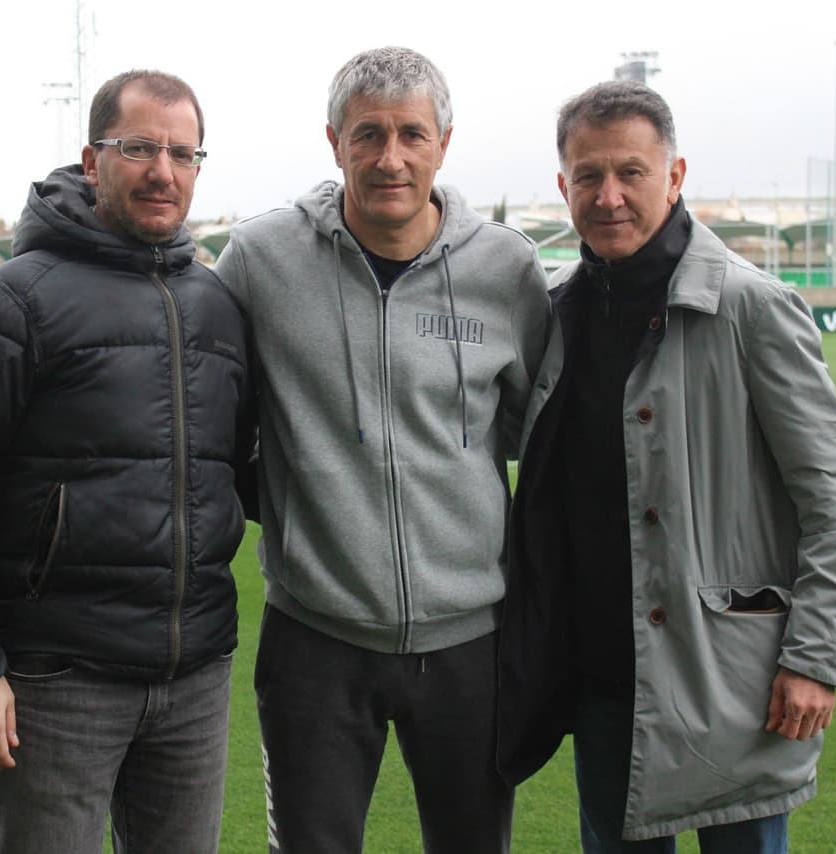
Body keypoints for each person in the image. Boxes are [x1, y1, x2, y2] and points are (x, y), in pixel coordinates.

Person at [496, 80, 836, 853]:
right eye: (587, 176)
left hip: (730, 683)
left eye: (631, 173)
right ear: (561, 185)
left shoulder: (751, 307)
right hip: (603, 681)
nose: (608, 197)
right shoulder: (556, 311)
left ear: (674, 176)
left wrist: (818, 659)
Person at [0, 70, 253, 854]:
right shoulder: (13, 301)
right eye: (140, 148)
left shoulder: (219, 306)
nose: (163, 171)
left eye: (183, 153)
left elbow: (240, 471)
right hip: (58, 682)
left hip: (194, 677)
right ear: (92, 162)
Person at [214, 46, 550, 854]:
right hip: (316, 638)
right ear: (334, 143)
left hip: (472, 639)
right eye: (367, 135)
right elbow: (213, 413)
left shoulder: (507, 268)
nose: (389, 157)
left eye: (410, 134)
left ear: (443, 142)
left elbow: (537, 432)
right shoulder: (260, 259)